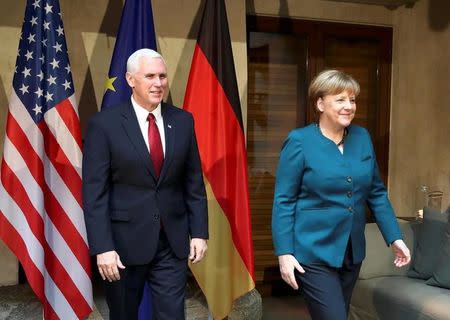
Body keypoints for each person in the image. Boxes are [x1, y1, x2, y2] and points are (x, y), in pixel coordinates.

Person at [271, 69, 411, 320]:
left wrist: (394, 237)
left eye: (353, 99)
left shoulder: (362, 137)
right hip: (312, 252)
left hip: (351, 252)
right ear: (320, 103)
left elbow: (376, 192)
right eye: (340, 99)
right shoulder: (299, 141)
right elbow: (284, 200)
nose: (349, 106)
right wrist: (284, 253)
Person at [82, 48, 208, 320]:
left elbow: (193, 181)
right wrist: (102, 247)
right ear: (130, 80)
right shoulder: (104, 125)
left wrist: (199, 232)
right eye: (150, 76)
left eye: (162, 76)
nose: (158, 83)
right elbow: (95, 193)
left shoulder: (183, 121)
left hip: (171, 242)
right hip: (122, 246)